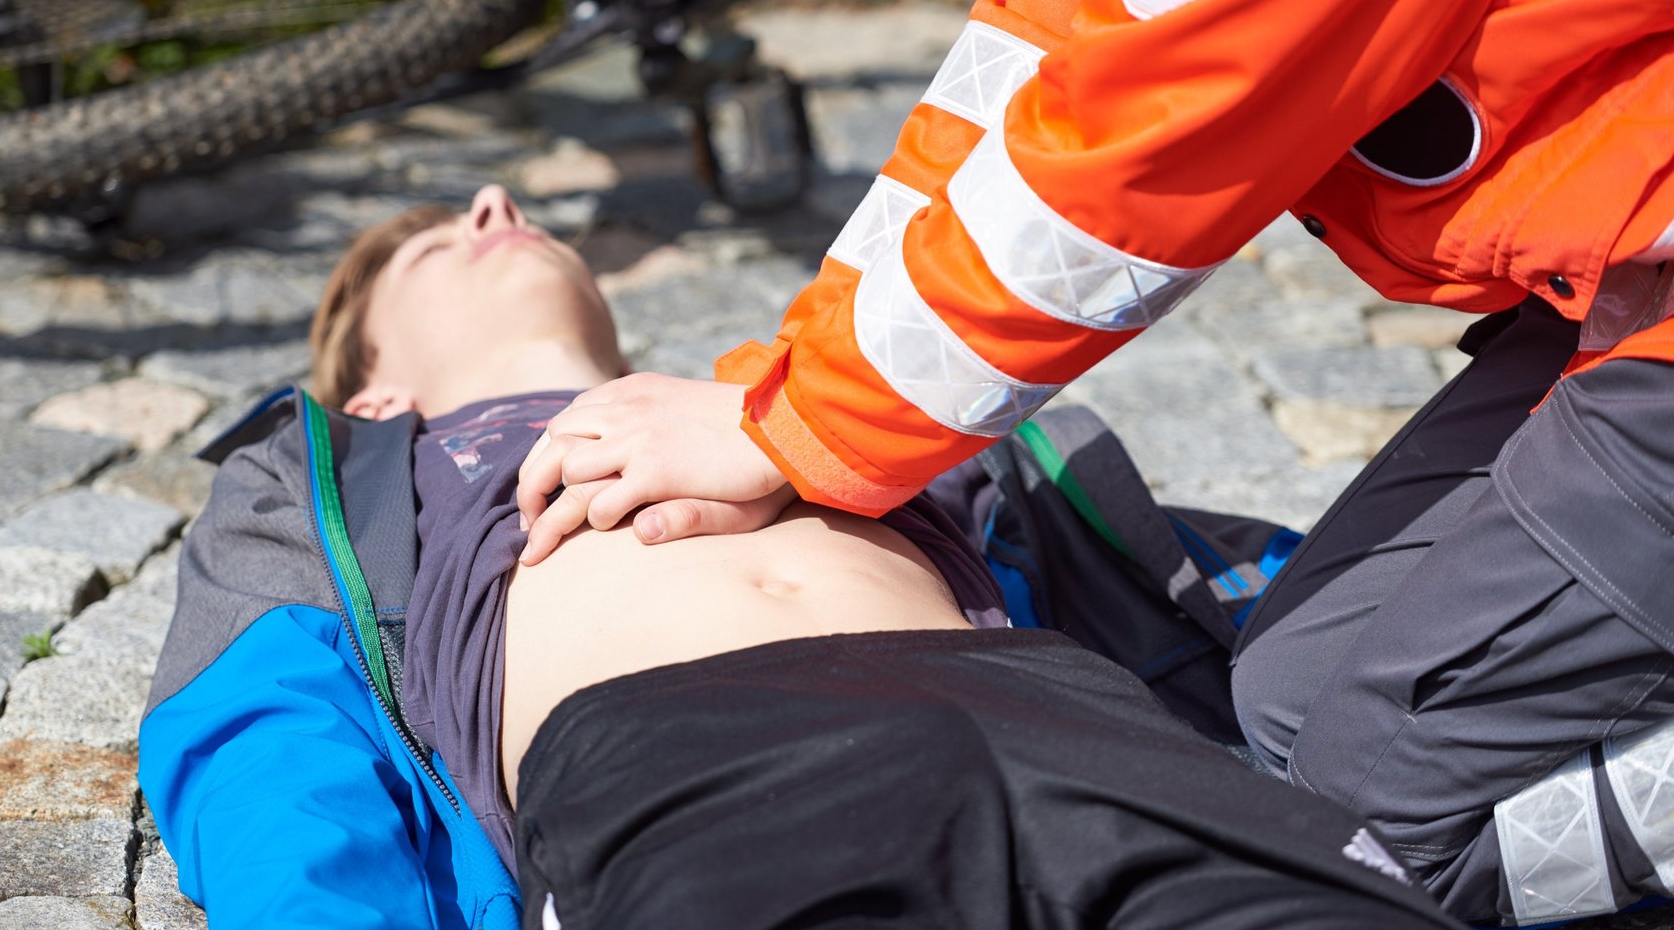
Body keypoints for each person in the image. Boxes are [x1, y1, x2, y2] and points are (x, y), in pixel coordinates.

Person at [512, 0, 1674, 923]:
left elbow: (1153, 150)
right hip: (1633, 279)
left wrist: (806, 427)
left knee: (1384, 822)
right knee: (1288, 704)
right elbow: (1040, 70)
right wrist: (782, 393)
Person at [139, 185, 1457, 930]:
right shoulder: (344, 477)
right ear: (373, 391)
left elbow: (1208, 578)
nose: (494, 197)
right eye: (432, 241)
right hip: (705, 764)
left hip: (1069, 719)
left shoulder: (809, 393)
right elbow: (266, 748)